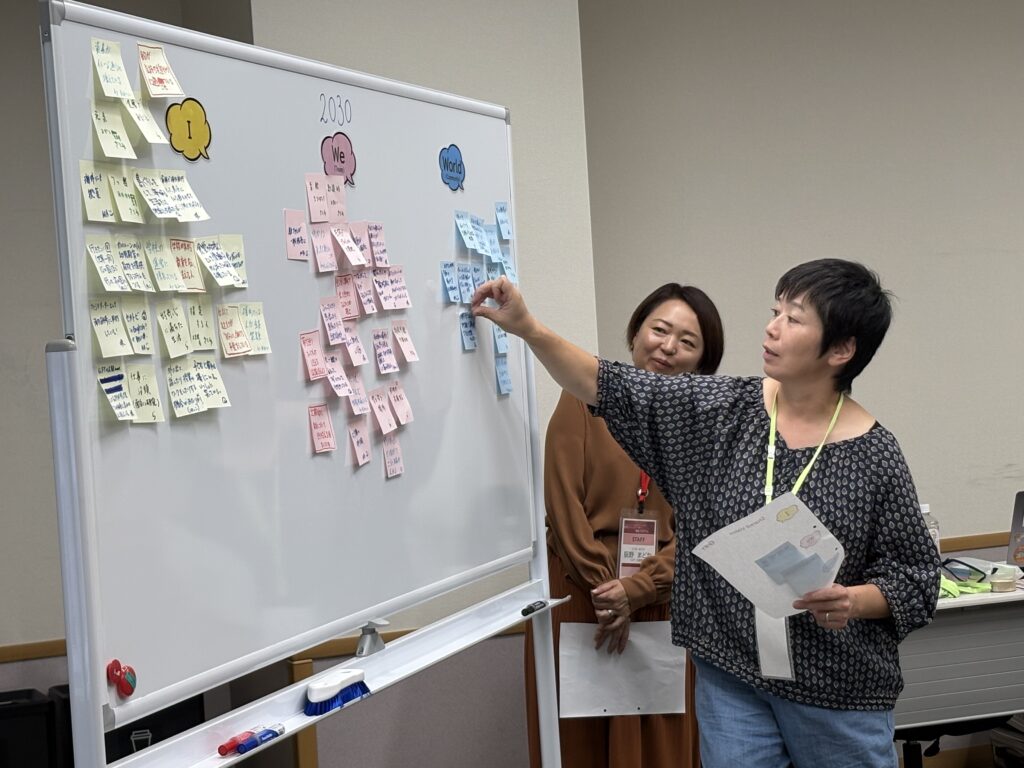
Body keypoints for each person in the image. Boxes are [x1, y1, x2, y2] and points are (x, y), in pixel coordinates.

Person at [475, 259, 940, 768]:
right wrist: (528, 328)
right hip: (732, 678)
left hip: (834, 690)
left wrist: (854, 600)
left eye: (794, 318)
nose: (772, 327)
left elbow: (916, 578)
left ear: (841, 350)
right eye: (775, 311)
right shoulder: (724, 411)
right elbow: (609, 384)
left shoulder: (874, 455)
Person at [524, 283, 724, 768]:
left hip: (663, 601)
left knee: (660, 744)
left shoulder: (707, 426)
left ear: (702, 361)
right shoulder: (582, 398)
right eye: (660, 330)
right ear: (635, 333)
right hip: (581, 596)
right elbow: (562, 505)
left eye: (687, 342)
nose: (668, 347)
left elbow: (707, 528)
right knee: (580, 743)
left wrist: (637, 589)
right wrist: (607, 592)